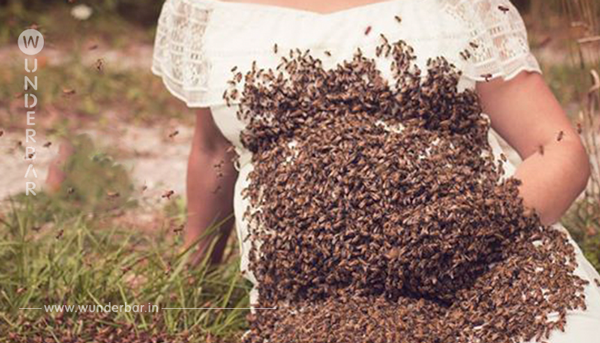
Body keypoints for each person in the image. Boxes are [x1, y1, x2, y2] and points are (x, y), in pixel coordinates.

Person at [151, 0, 600, 341]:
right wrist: (190, 284)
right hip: (315, 303)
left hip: (492, 269)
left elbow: (557, 148)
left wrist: (463, 232)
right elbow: (214, 150)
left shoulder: (459, 7)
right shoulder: (206, 10)